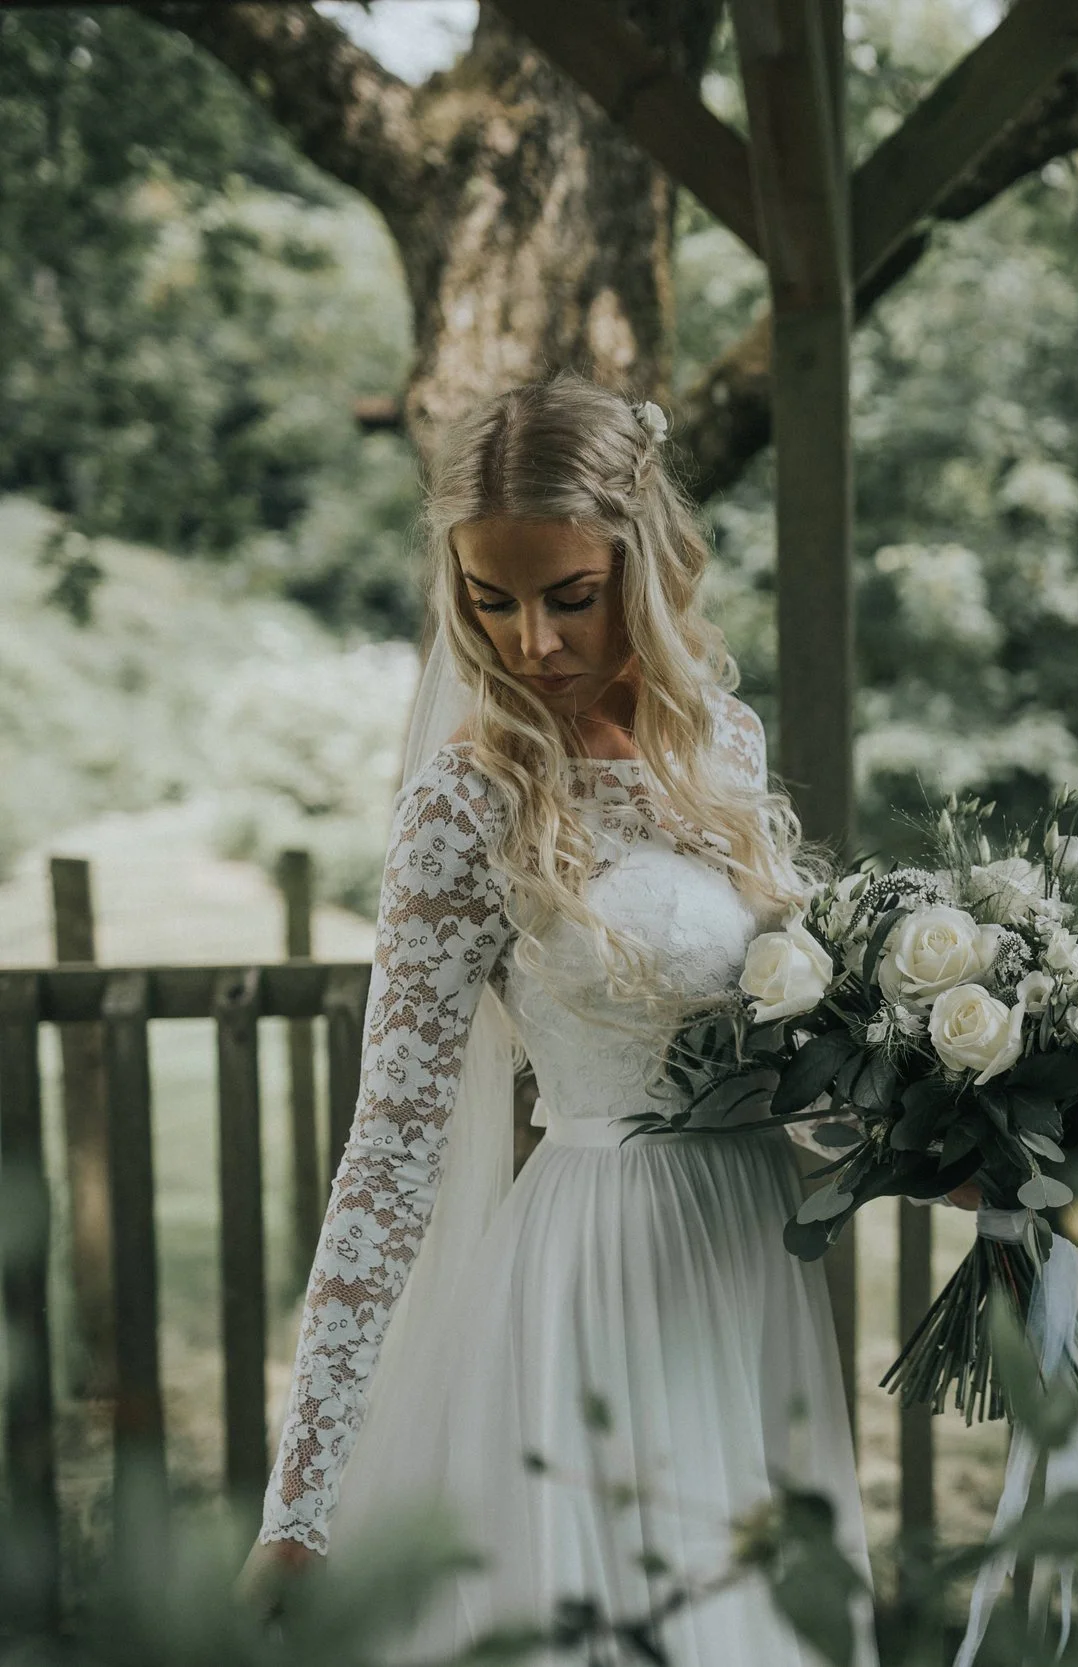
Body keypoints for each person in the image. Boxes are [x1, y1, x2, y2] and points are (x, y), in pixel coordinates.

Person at [236, 373, 876, 1665]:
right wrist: (303, 1497)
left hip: (752, 1266)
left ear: (641, 563)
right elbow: (393, 1145)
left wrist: (935, 1126)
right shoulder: (463, 806)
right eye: (491, 598)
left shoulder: (725, 751)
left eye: (568, 594)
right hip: (599, 1272)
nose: (530, 640)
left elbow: (784, 1039)